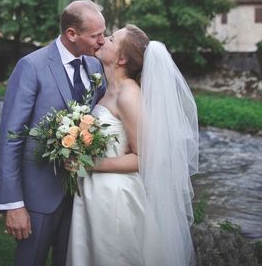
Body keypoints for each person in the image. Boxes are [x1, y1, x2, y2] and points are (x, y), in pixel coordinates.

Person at [67, 25, 200, 266]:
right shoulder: (108, 90)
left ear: (122, 58)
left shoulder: (129, 95)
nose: (102, 41)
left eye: (111, 39)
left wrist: (90, 163)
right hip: (95, 191)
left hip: (115, 196)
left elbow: (145, 158)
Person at [0, 0, 106, 266]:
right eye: (96, 35)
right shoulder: (31, 66)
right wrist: (13, 204)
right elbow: (11, 138)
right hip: (39, 197)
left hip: (82, 196)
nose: (103, 41)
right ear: (72, 34)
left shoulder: (95, 67)